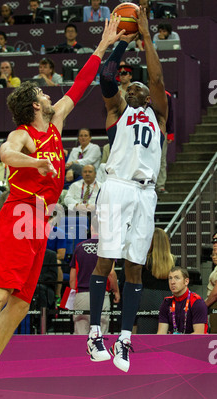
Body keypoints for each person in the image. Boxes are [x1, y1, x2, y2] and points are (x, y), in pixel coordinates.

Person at [0, 15, 127, 399]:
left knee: (20, 304)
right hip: (19, 211)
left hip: (40, 221)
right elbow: (5, 156)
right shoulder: (23, 134)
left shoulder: (57, 120)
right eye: (41, 92)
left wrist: (102, 46)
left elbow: (80, 86)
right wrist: (39, 164)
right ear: (34, 103)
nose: (49, 93)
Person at [87, 7, 168, 372]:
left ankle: (123, 340)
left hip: (146, 194)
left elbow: (156, 75)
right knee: (106, 260)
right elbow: (106, 77)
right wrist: (121, 43)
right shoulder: (116, 111)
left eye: (138, 86)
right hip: (117, 186)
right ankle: (93, 335)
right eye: (127, 85)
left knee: (135, 268)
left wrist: (147, 37)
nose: (131, 87)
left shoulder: (159, 113)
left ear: (149, 96)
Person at [69, 216, 120, 334]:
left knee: (80, 335)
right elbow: (111, 273)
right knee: (100, 335)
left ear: (91, 227)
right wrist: (116, 291)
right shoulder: (108, 247)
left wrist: (74, 294)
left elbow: (72, 279)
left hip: (82, 295)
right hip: (101, 295)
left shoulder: (79, 247)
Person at [157, 267, 208, 334]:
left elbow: (199, 334)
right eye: (170, 278)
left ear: (186, 281)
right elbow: (161, 334)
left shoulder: (197, 302)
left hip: (194, 342)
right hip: (173, 342)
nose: (172, 282)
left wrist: (178, 342)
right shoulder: (166, 302)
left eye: (177, 278)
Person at [156, 90, 175, 194]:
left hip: (163, 131)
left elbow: (170, 114)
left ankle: (160, 185)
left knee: (162, 158)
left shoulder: (167, 95)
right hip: (149, 131)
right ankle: (151, 184)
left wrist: (170, 132)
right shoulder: (145, 93)